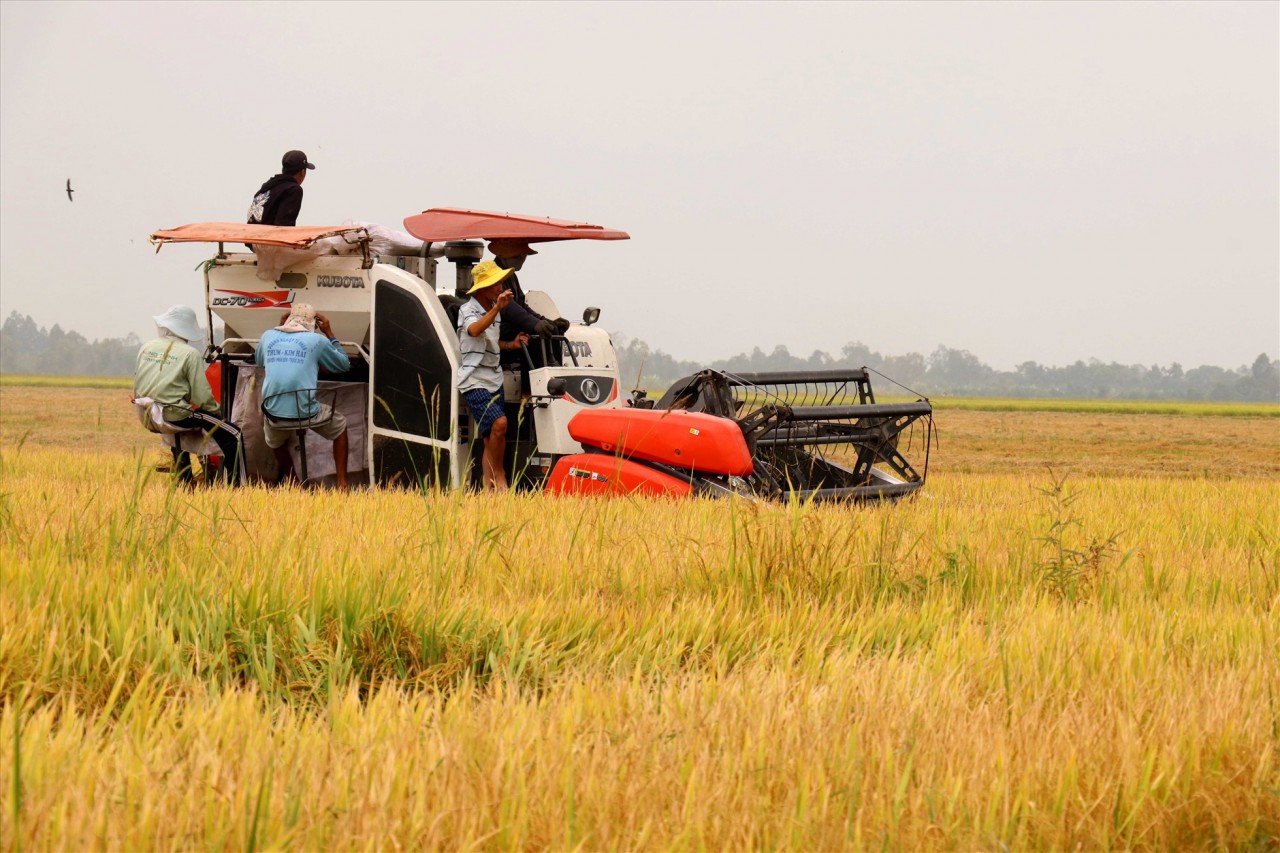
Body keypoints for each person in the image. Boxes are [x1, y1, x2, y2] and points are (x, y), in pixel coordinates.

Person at [133, 305, 242, 486]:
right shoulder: (190, 354)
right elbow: (201, 397)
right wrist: (217, 414)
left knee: (182, 422)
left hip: (145, 412)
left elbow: (138, 383)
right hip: (173, 414)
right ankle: (236, 487)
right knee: (233, 434)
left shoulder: (147, 347)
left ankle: (185, 481)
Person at [255, 303, 352, 490]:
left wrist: (279, 326)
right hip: (306, 413)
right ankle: (342, 484)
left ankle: (294, 483)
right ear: (313, 324)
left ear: (288, 319)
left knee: (274, 441)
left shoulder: (268, 336)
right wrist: (330, 333)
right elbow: (343, 365)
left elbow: (259, 360)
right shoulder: (316, 340)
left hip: (274, 413)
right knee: (340, 426)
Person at [458, 260, 529, 490]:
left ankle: (489, 489)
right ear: (483, 287)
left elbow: (491, 341)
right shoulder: (467, 310)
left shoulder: (492, 311)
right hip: (474, 380)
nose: (500, 287)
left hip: (494, 378)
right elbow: (475, 330)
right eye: (496, 283)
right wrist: (497, 308)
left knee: (490, 438)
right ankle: (500, 475)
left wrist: (511, 345)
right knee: (500, 424)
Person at [487, 239, 570, 367]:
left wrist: (545, 321)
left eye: (523, 255)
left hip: (508, 325)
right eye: (516, 256)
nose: (521, 259)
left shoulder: (511, 276)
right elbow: (507, 306)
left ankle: (554, 370)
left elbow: (521, 305)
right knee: (534, 335)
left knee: (551, 330)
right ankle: (531, 383)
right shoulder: (493, 275)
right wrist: (534, 323)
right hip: (494, 327)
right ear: (502, 255)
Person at [246, 149, 316, 227]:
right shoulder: (293, 190)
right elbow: (284, 226)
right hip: (268, 238)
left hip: (249, 237)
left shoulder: (265, 189)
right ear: (302, 172)